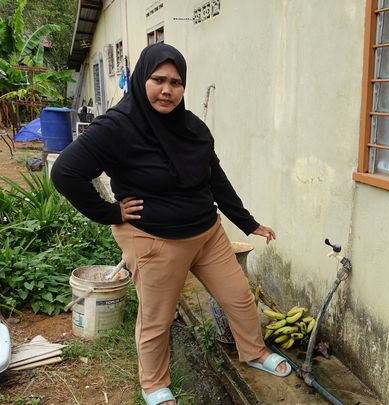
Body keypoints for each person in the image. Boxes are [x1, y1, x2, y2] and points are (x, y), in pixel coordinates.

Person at [51, 43, 290, 405]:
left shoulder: (192, 127)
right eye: (158, 79)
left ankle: (254, 352)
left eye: (176, 82)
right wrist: (110, 213)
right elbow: (66, 172)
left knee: (238, 298)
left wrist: (246, 221)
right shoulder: (118, 127)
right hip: (154, 238)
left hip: (207, 233)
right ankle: (153, 385)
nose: (167, 90)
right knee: (157, 318)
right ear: (141, 79)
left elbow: (215, 177)